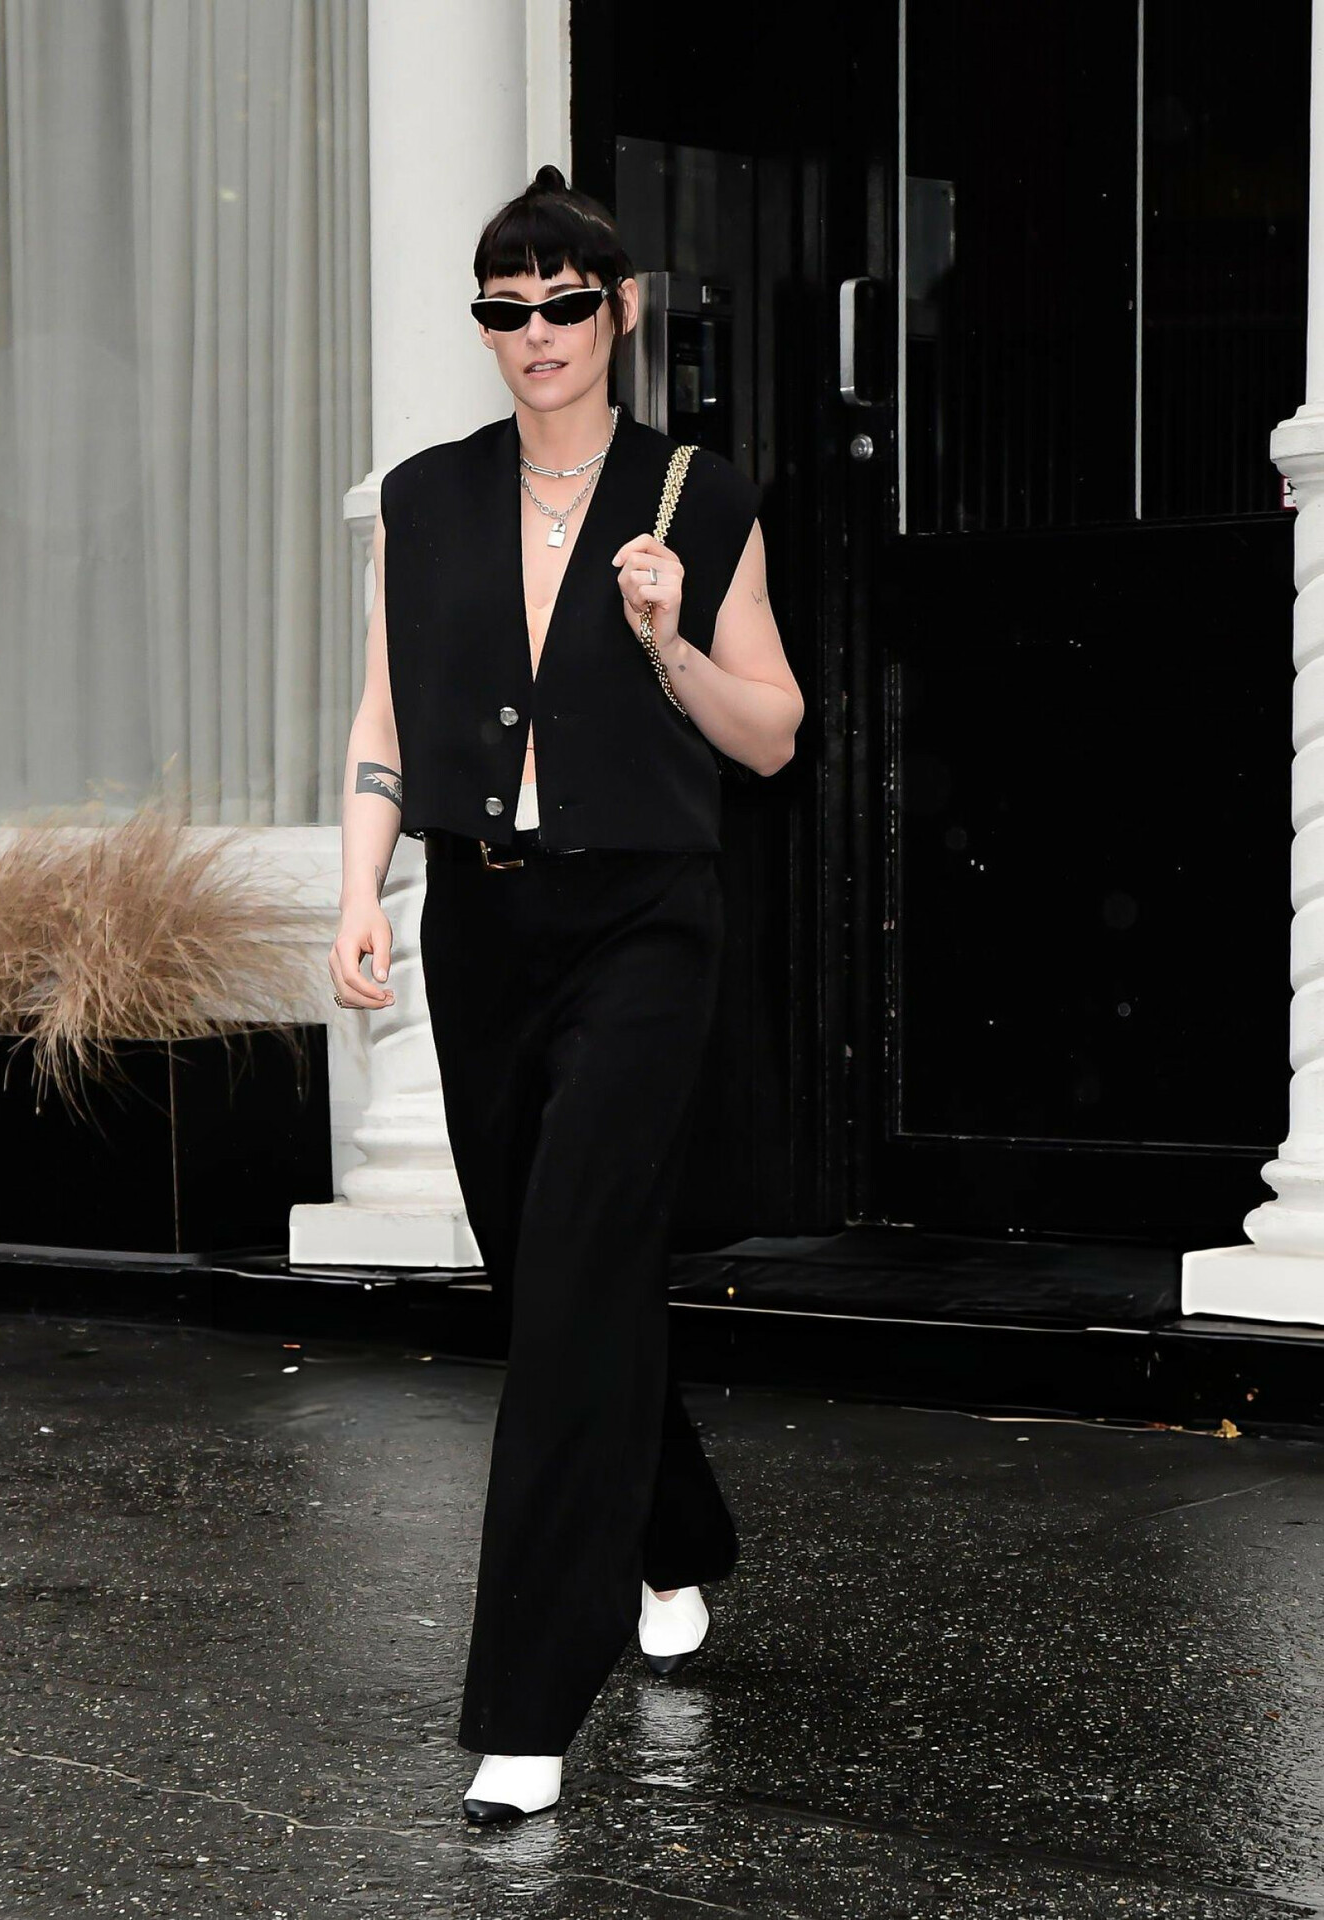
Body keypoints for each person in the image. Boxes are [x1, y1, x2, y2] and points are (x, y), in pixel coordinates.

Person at [330, 164, 804, 1822]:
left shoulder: (697, 496)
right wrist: (360, 890)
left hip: (643, 926)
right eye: (506, 309)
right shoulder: (427, 499)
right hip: (484, 923)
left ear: (621, 314)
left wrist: (670, 644)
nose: (537, 334)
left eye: (566, 304)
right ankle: (673, 1535)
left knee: (581, 1270)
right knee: (550, 1277)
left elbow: (773, 735)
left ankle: (528, 1706)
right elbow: (386, 716)